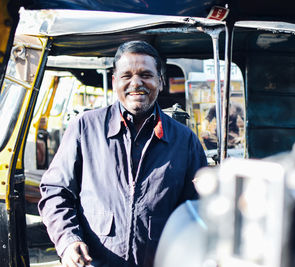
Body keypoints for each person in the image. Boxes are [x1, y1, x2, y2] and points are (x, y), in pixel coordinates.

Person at [38, 40, 208, 267]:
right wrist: (68, 240)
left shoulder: (185, 141)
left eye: (146, 75)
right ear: (115, 81)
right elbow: (55, 191)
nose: (136, 83)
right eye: (127, 75)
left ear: (160, 81)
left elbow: (197, 208)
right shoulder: (85, 128)